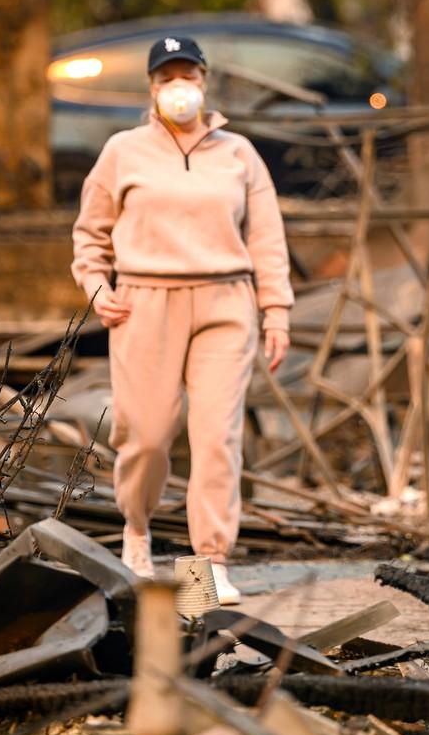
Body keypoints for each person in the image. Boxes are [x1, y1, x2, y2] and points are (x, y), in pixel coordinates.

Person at [70, 35, 293, 602]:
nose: (178, 86)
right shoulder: (123, 150)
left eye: (187, 74)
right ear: (151, 87)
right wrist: (96, 289)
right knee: (145, 436)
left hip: (225, 300)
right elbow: (89, 235)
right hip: (145, 301)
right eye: (166, 77)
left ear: (204, 80)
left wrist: (276, 312)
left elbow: (267, 237)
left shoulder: (239, 153)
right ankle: (137, 535)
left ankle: (204, 571)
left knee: (216, 436)